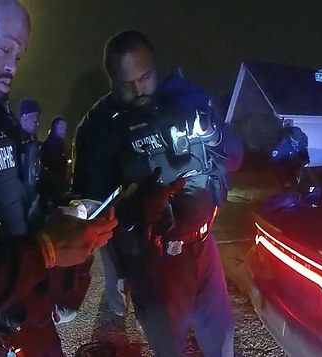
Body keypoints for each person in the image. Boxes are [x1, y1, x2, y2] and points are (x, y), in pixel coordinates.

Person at [0, 0, 118, 354]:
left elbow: (26, 183)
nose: (11, 66)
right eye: (4, 48)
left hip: (24, 319)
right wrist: (48, 249)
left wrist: (72, 208)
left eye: (19, 56)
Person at [73, 30, 243, 356]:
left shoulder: (185, 98)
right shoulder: (99, 128)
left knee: (221, 337)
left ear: (156, 67)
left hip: (204, 248)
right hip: (152, 262)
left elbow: (235, 157)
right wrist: (136, 211)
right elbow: (91, 209)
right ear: (112, 80)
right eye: (127, 83)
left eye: (145, 77)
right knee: (170, 346)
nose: (139, 89)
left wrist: (211, 133)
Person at [270, 122, 310, 189]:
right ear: (290, 136)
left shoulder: (302, 141)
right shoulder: (283, 146)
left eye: (298, 140)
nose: (297, 142)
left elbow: (304, 152)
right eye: (295, 139)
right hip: (284, 168)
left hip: (297, 166)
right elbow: (274, 161)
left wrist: (306, 161)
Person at [41, 116, 69, 189]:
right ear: (55, 128)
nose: (64, 130)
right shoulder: (47, 146)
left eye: (65, 127)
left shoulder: (61, 146)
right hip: (52, 189)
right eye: (62, 127)